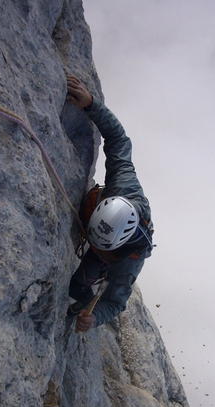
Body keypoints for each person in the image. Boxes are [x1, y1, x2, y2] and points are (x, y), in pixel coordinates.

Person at [66, 76, 154, 332]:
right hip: (103, 240)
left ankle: (80, 302)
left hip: (106, 255)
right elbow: (118, 140)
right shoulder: (123, 186)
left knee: (76, 286)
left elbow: (115, 302)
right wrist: (91, 103)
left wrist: (95, 318)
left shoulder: (130, 259)